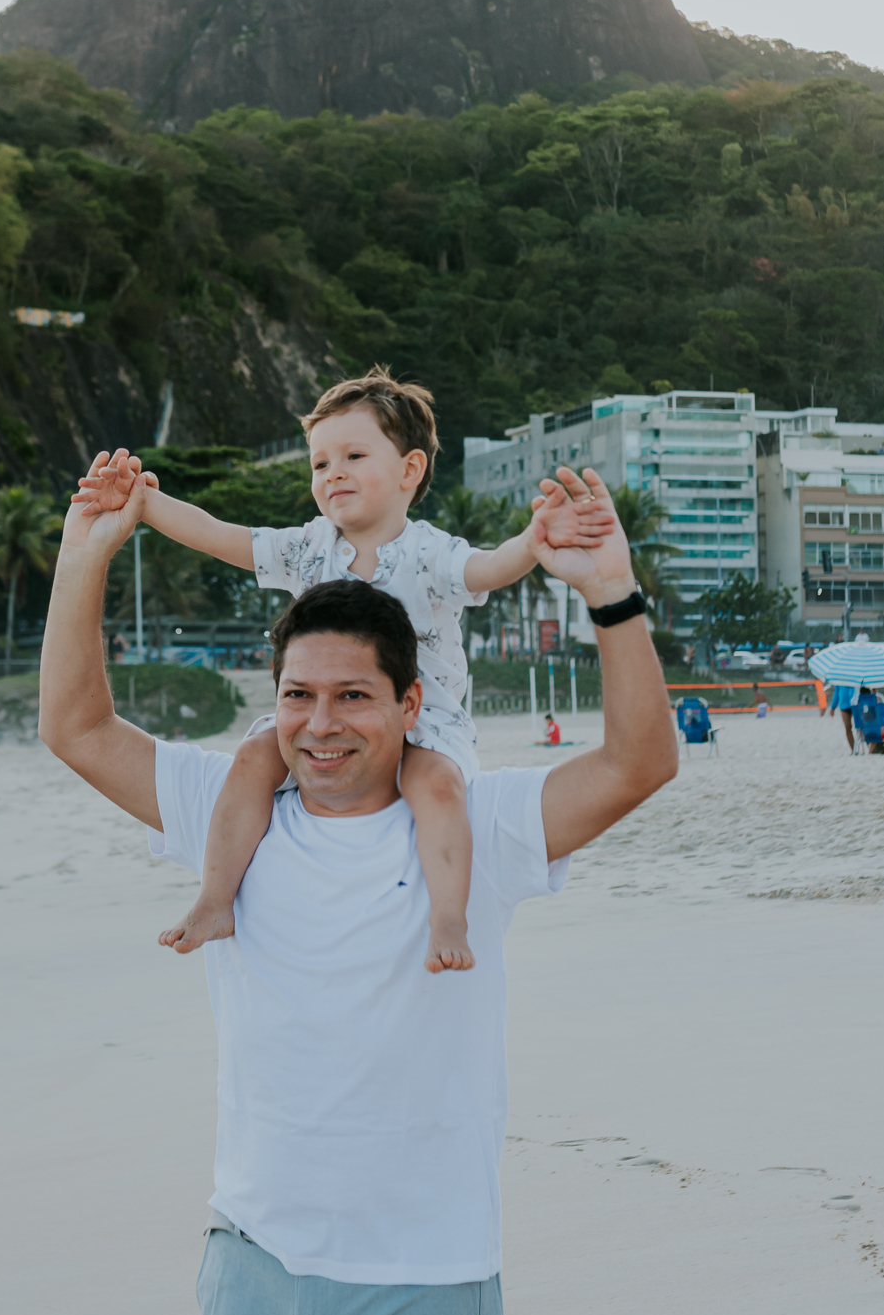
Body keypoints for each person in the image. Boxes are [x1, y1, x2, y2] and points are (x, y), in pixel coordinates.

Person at [38, 455, 676, 1315]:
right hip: (253, 1267)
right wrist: (83, 559)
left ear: (410, 706)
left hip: (419, 1284)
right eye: (298, 696)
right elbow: (76, 726)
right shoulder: (228, 813)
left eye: (353, 697)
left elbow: (639, 763)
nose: (321, 725)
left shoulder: (478, 828)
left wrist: (611, 597)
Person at [74, 368, 616, 974]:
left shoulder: (430, 552)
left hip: (425, 721)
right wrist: (145, 502)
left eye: (354, 456)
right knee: (252, 759)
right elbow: (218, 536)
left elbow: (490, 569)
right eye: (320, 463)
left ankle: (448, 917)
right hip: (325, 714)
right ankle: (214, 898)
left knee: (438, 789)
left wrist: (535, 541)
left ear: (410, 471)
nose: (333, 473)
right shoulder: (308, 547)